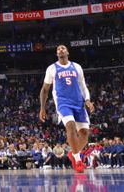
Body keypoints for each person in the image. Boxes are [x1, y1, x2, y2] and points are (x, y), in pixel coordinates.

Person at [39, 45, 95, 174]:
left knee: (85, 134)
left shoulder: (77, 67)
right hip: (63, 103)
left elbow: (83, 85)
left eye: (63, 48)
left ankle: (73, 153)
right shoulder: (52, 68)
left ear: (67, 52)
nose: (60, 49)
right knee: (70, 126)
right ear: (57, 54)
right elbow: (45, 90)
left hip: (79, 102)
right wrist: (42, 108)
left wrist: (87, 100)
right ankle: (78, 159)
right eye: (58, 49)